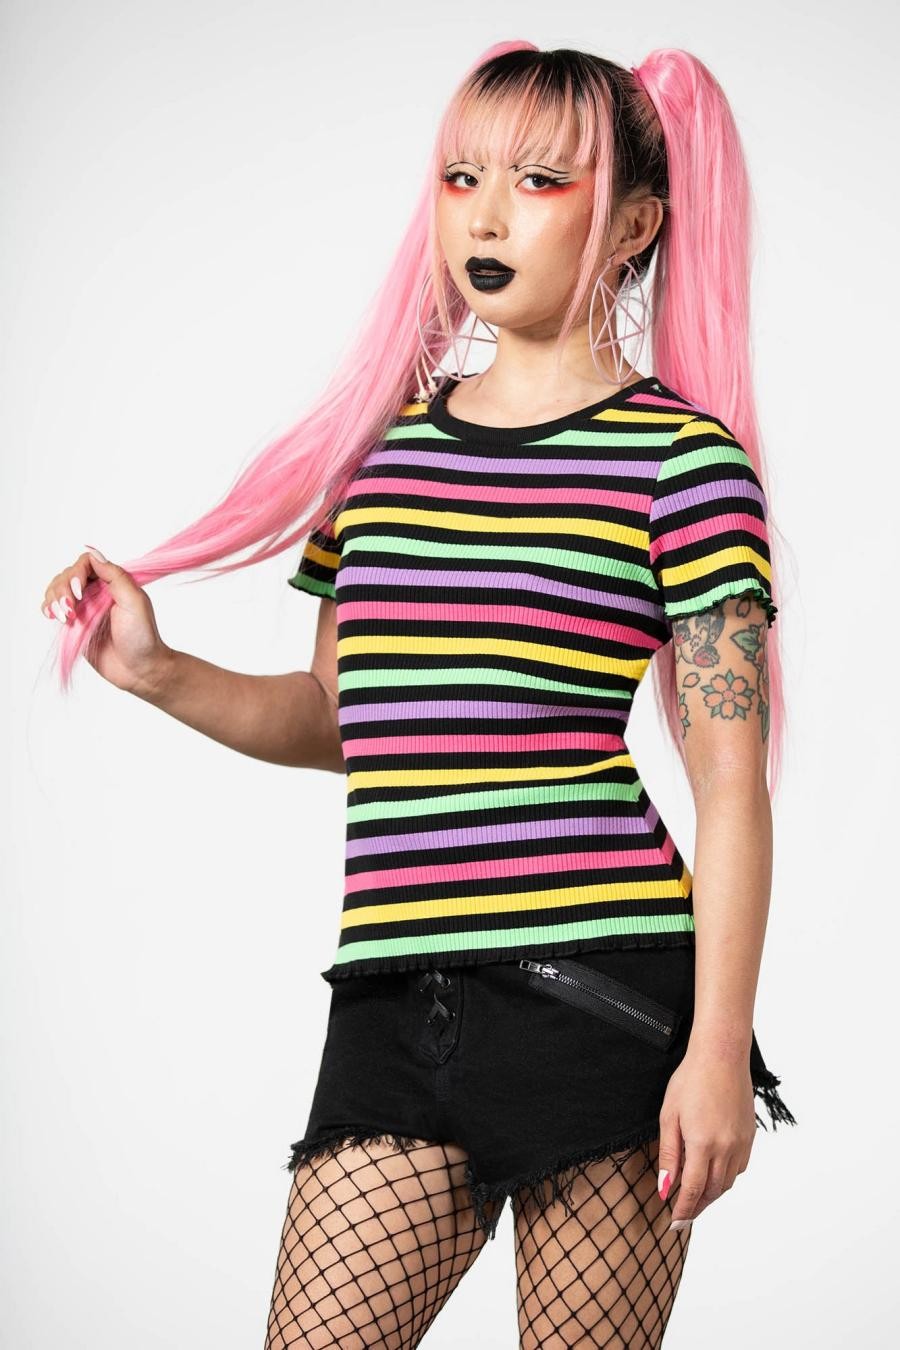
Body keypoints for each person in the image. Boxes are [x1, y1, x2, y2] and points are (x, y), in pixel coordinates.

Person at [41, 41, 797, 1349]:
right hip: (391, 999)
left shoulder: (684, 462)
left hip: (599, 993)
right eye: (461, 177)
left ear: (633, 227)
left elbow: (731, 785)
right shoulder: (382, 463)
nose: (486, 217)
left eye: (539, 182)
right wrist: (156, 671)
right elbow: (347, 721)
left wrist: (719, 1046)